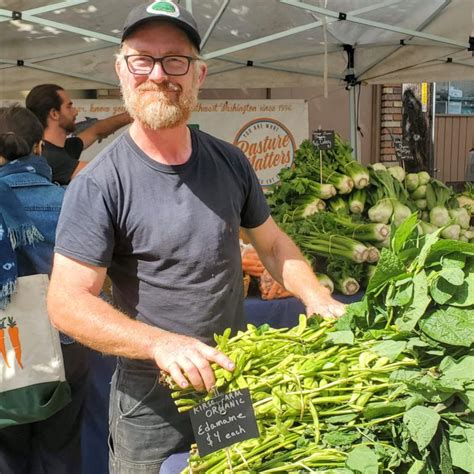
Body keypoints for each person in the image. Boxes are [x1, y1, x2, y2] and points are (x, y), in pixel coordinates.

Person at [47, 1, 346, 472]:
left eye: (175, 60)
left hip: (227, 384)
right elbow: (67, 302)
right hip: (150, 405)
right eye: (142, 59)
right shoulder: (102, 181)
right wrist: (162, 344)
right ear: (121, 71)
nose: (159, 74)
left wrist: (315, 296)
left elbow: (270, 243)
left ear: (199, 74)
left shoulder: (230, 161)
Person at [0, 105, 88, 474]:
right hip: (68, 339)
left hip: (7, 343)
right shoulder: (71, 201)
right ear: (40, 147)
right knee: (62, 450)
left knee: (6, 456)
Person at [26, 84, 131, 185]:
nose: (75, 112)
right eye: (69, 107)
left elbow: (96, 130)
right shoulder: (50, 157)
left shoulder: (60, 148)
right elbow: (107, 173)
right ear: (54, 114)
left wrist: (133, 116)